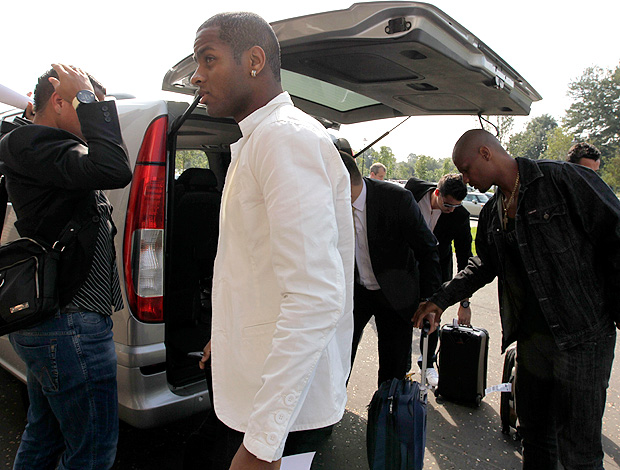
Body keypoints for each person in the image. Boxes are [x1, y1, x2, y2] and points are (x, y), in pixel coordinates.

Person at [191, 12, 354, 469]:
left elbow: (314, 296)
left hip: (284, 417)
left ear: (255, 61)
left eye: (208, 59)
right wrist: (226, 336)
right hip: (263, 391)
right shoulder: (260, 138)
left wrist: (263, 444)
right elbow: (256, 270)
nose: (196, 76)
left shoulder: (284, 137)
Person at [413, 129, 620, 470]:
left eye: (466, 169)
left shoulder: (562, 179)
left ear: (486, 153)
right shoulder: (493, 211)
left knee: (579, 452)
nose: (465, 179)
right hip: (532, 342)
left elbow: (615, 235)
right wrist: (440, 300)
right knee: (535, 437)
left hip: (582, 339)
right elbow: (483, 264)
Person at [0, 64, 132, 469]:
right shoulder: (34, 143)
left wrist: (84, 102)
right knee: (92, 453)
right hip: (69, 325)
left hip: (61, 323)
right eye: (83, 104)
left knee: (45, 435)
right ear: (59, 102)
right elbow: (116, 169)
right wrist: (89, 100)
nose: (92, 114)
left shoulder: (43, 146)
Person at [339, 153, 441, 388]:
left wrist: (429, 301)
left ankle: (388, 406)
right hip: (355, 293)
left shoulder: (397, 199)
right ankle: (333, 404)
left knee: (393, 368)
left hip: (396, 294)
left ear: (340, 182)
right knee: (339, 357)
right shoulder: (333, 205)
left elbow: (427, 249)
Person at [405, 173, 472, 387]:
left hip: (437, 271)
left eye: (456, 206)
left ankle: (428, 363)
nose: (451, 210)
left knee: (432, 316)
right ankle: (402, 366)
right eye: (447, 205)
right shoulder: (413, 191)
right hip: (406, 268)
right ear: (437, 193)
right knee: (403, 316)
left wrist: (464, 303)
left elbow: (465, 257)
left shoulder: (459, 216)